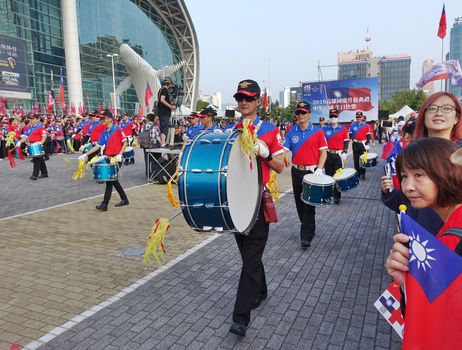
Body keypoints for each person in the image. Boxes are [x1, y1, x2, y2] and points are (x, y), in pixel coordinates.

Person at [229, 79, 284, 337]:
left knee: (250, 261)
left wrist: (266, 154)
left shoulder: (271, 130)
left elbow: (281, 166)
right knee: (248, 257)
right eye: (240, 98)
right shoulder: (232, 130)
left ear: (258, 101)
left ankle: (241, 318)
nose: (243, 102)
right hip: (237, 202)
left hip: (259, 203)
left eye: (248, 98)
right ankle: (260, 291)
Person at [385, 138, 462, 315]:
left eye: (419, 175)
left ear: (448, 172)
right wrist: (406, 284)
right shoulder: (450, 223)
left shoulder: (454, 239)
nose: (408, 187)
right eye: (404, 176)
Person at [283, 101, 328, 249]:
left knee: (308, 204)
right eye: (298, 112)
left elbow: (323, 152)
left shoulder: (318, 132)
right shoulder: (292, 132)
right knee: (299, 203)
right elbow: (284, 149)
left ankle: (305, 236)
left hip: (312, 172)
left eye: (303, 112)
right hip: (296, 171)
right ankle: (309, 228)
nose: (300, 115)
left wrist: (320, 169)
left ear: (309, 114)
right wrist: (281, 158)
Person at [79, 110, 129, 211]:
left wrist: (120, 154)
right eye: (101, 118)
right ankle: (124, 199)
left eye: (104, 118)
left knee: (110, 181)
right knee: (113, 180)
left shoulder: (118, 129)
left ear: (110, 119)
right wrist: (85, 154)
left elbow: (125, 143)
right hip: (108, 158)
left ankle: (105, 204)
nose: (102, 120)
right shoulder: (104, 132)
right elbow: (98, 146)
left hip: (116, 158)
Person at [322, 108, 349, 204]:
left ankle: (337, 196)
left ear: (338, 117)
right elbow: (321, 144)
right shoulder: (324, 129)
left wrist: (345, 152)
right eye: (331, 116)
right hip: (328, 155)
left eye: (335, 116)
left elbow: (346, 141)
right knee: (329, 176)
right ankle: (330, 195)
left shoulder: (343, 129)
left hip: (339, 156)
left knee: (337, 176)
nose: (333, 118)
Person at [16, 114, 48, 180]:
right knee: (40, 159)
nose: (31, 120)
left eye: (33, 119)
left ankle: (35, 175)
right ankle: (44, 173)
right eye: (31, 119)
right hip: (32, 145)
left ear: (38, 119)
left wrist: (40, 143)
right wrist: (19, 142)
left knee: (36, 160)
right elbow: (25, 136)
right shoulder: (31, 127)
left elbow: (44, 136)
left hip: (38, 145)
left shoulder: (41, 127)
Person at [348, 111, 372, 180]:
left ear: (362, 117)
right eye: (357, 117)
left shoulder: (366, 126)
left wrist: (367, 143)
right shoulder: (352, 125)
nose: (358, 118)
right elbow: (349, 135)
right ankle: (358, 174)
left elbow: (368, 135)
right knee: (356, 160)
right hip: (355, 144)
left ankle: (363, 173)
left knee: (363, 159)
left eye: (360, 117)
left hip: (363, 144)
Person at [141, 113, 161, 178]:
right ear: (153, 119)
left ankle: (148, 175)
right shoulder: (155, 127)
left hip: (145, 146)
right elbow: (158, 138)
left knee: (147, 161)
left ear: (147, 119)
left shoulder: (143, 127)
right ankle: (154, 175)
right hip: (154, 147)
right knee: (155, 161)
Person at [157, 77, 176, 147]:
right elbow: (162, 99)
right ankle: (163, 142)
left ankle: (163, 142)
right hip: (165, 112)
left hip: (161, 111)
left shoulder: (160, 90)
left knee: (163, 127)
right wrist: (171, 106)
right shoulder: (165, 90)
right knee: (165, 127)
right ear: (169, 83)